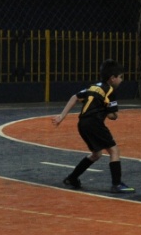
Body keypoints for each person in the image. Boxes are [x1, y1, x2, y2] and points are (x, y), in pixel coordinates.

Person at [52, 59, 134, 194]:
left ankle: (72, 178)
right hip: (94, 123)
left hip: (82, 123)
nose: (121, 80)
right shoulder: (109, 91)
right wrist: (110, 113)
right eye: (120, 77)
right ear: (112, 78)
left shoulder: (93, 87)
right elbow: (113, 116)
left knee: (96, 154)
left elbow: (74, 97)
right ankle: (117, 184)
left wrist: (62, 116)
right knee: (114, 151)